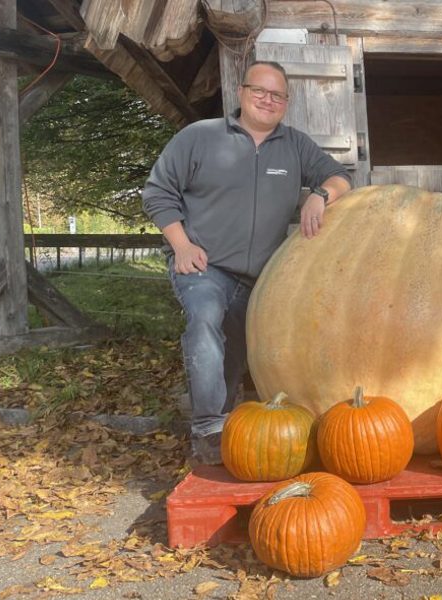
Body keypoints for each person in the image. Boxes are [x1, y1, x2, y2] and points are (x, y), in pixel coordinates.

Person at [142, 61, 351, 465]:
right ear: (241, 93)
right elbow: (157, 192)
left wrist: (320, 194)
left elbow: (339, 175)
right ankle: (207, 429)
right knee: (205, 322)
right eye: (260, 91)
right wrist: (181, 245)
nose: (268, 100)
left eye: (277, 95)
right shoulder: (199, 137)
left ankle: (233, 422)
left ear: (286, 102)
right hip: (204, 265)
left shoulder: (295, 145)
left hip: (261, 277)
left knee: (237, 351)